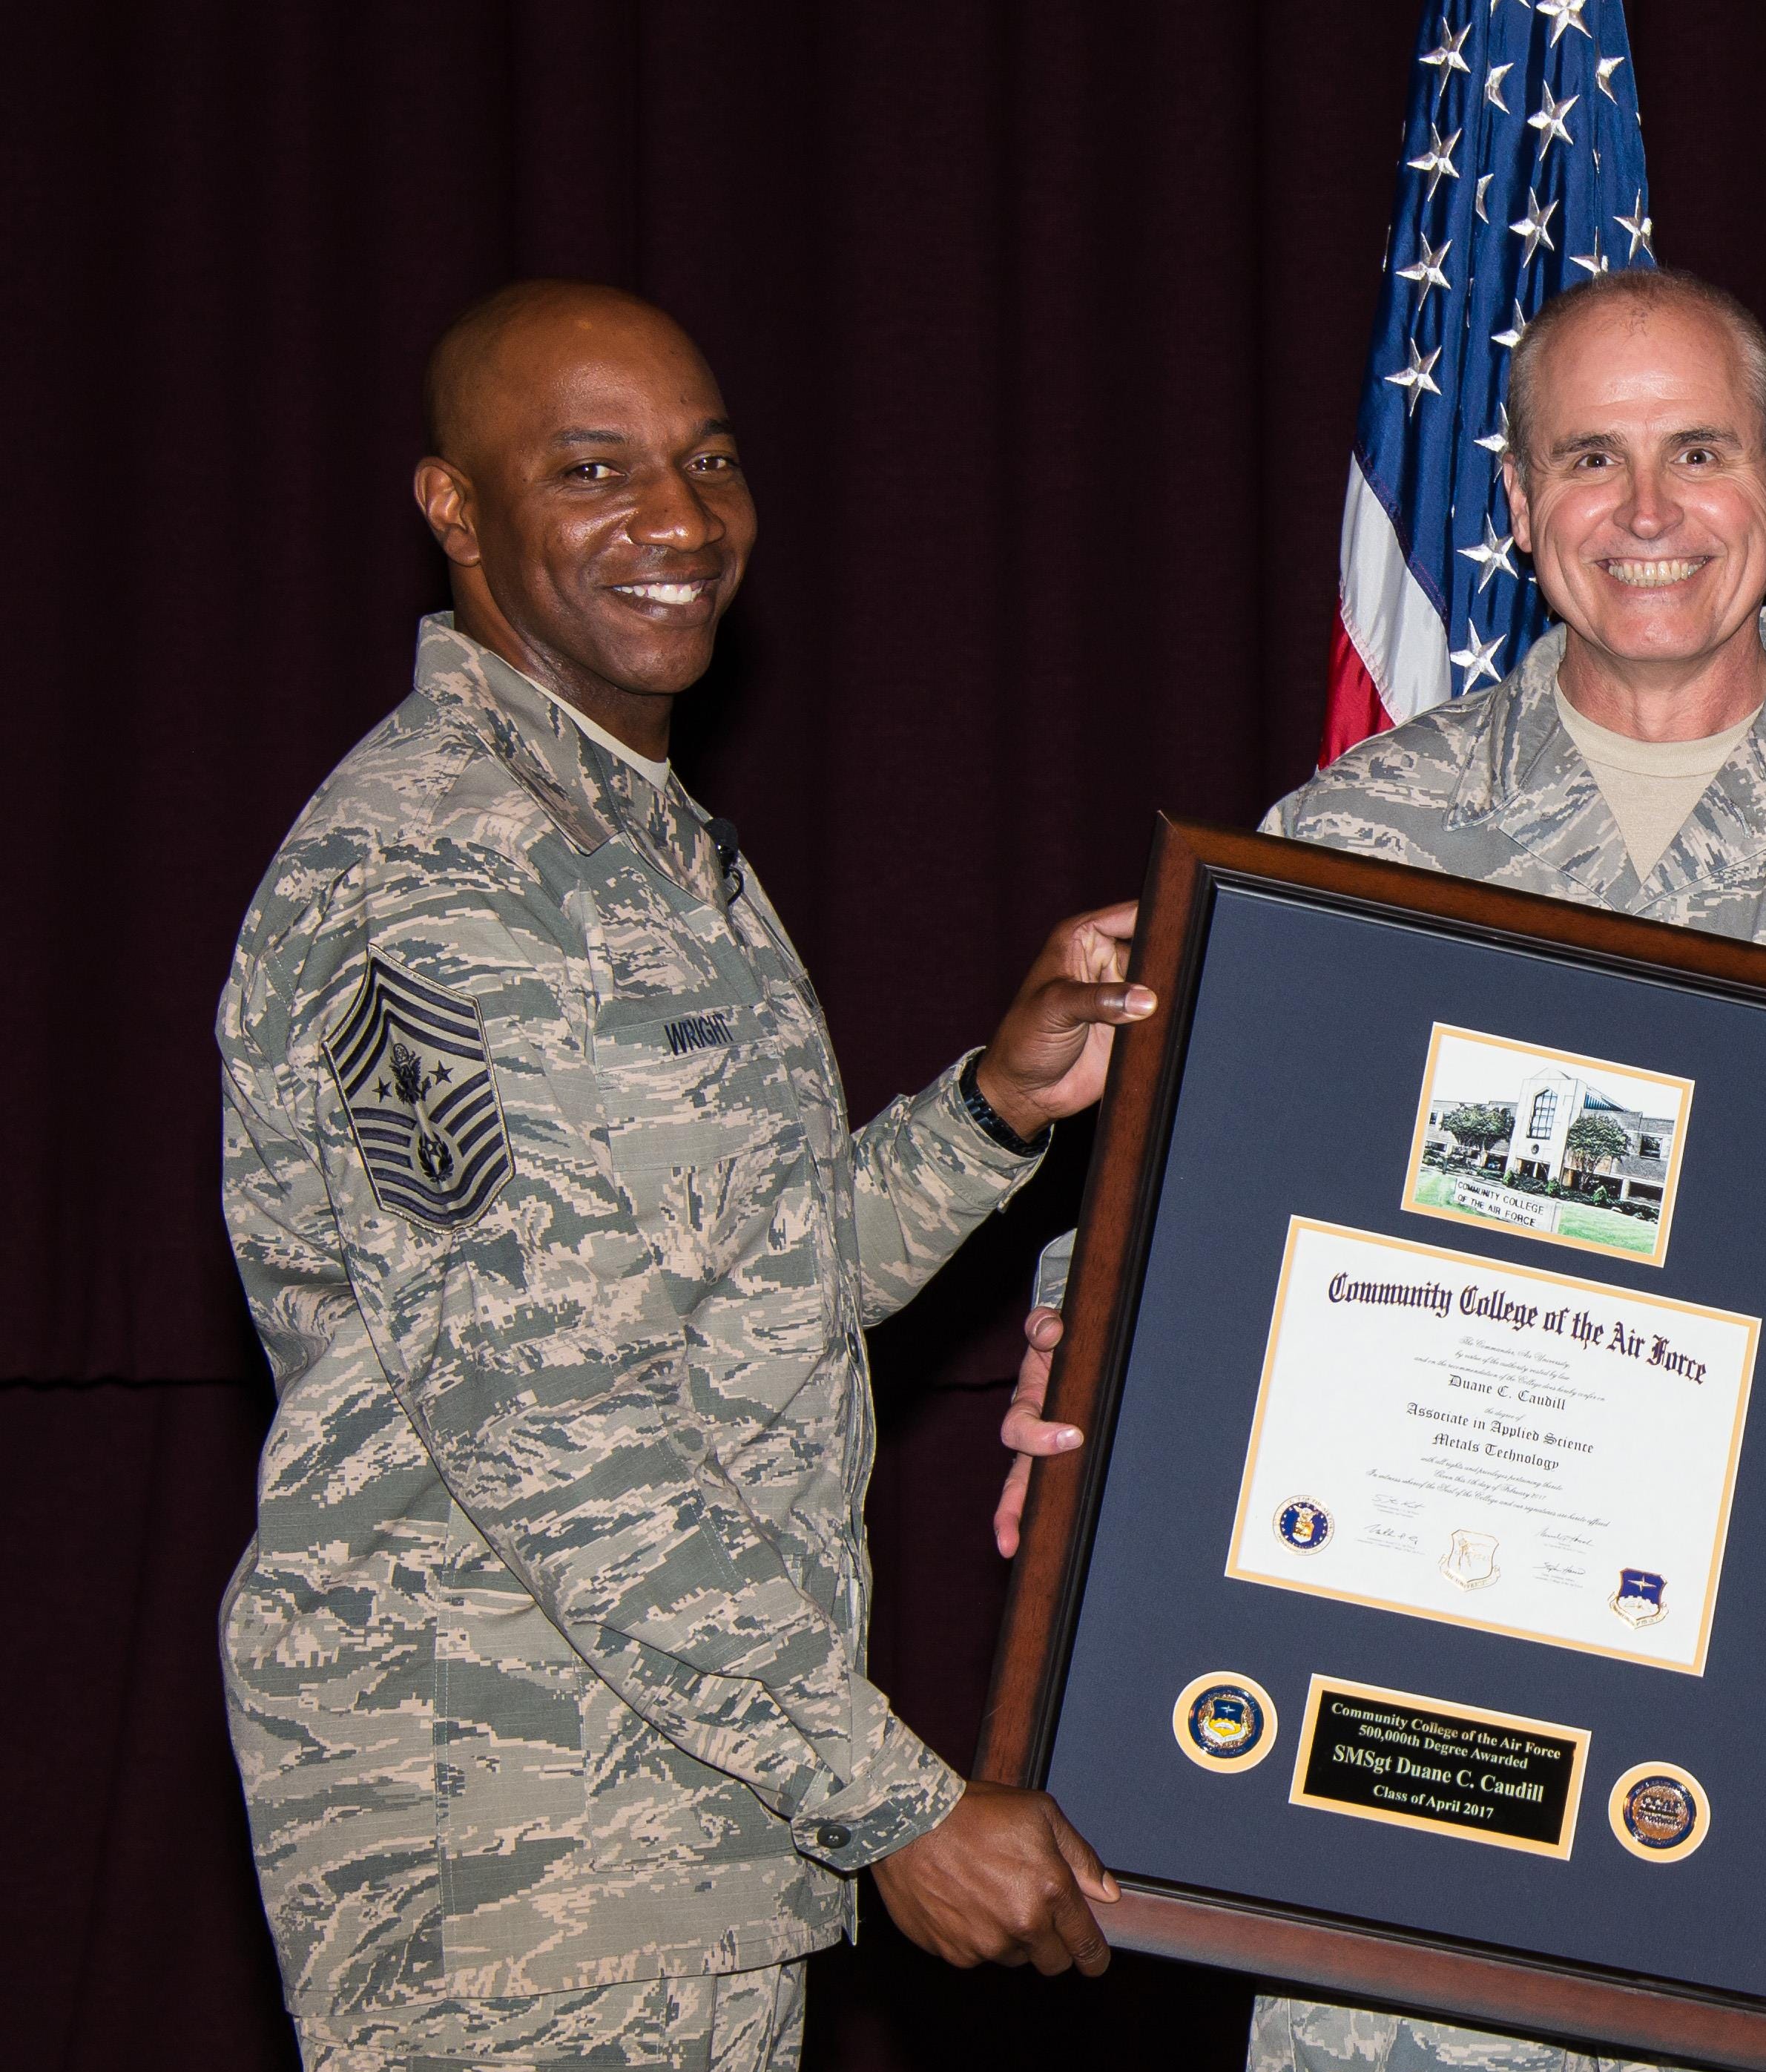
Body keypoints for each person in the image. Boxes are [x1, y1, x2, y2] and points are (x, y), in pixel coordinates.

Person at [993, 264, 1766, 2072]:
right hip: (1382, 1812)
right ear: (1514, 500)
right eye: (1590, 458)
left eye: (1698, 453)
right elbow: (1177, 1208)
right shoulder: (1352, 848)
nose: (1648, 514)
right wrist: (1078, 1350)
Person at [217, 280, 1148, 2072]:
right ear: (456, 509)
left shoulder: (628, 843)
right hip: (508, 1849)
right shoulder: (432, 876)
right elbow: (549, 1409)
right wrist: (894, 1801)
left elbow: (742, 1297)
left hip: (662, 1823)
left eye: (708, 460)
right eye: (593, 468)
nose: (678, 520)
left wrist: (991, 1109)